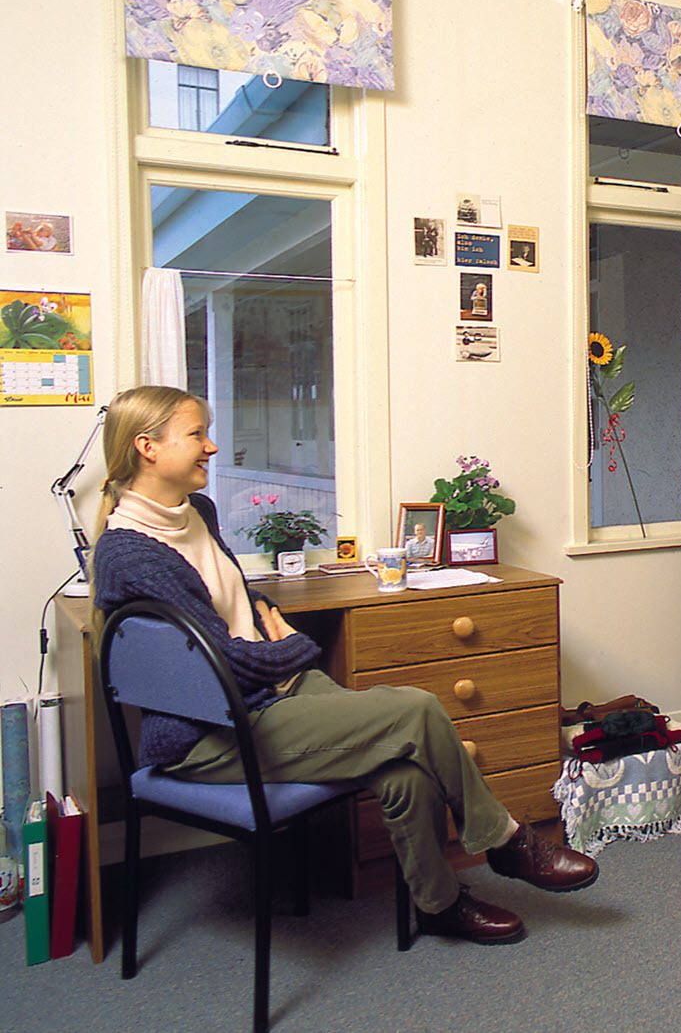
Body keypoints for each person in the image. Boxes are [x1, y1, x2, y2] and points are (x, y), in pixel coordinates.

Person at [90, 386, 597, 945]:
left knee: (404, 767)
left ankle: (439, 903)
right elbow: (222, 667)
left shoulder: (197, 513)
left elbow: (244, 603)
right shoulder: (130, 553)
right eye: (196, 435)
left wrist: (273, 630)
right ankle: (506, 841)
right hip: (210, 733)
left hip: (269, 695)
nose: (212, 446)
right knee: (417, 710)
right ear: (148, 448)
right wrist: (297, 647)